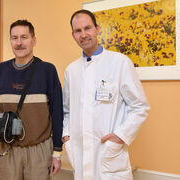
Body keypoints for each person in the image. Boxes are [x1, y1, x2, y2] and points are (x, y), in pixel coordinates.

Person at [62, 9, 150, 180]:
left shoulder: (120, 63)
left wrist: (120, 136)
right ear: (73, 35)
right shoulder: (71, 70)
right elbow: (67, 110)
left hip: (109, 155)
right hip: (80, 154)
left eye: (88, 28)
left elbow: (140, 107)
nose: (84, 34)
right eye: (78, 31)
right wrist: (67, 138)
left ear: (97, 29)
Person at [0, 19, 63, 180]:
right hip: (7, 150)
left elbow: (57, 113)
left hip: (39, 151)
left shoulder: (47, 71)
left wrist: (57, 152)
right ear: (10, 41)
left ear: (34, 40)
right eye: (14, 38)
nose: (19, 43)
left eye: (24, 37)